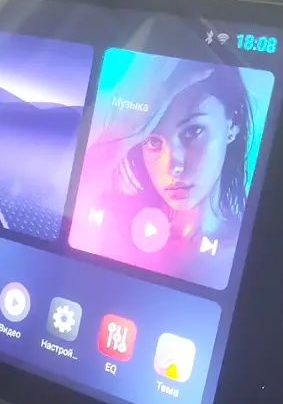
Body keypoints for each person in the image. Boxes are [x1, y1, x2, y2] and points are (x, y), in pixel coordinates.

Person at [71, 52, 260, 289]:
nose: (173, 166)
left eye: (193, 131)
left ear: (232, 126)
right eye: (152, 141)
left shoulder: (246, 254)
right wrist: (122, 131)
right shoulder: (106, 217)